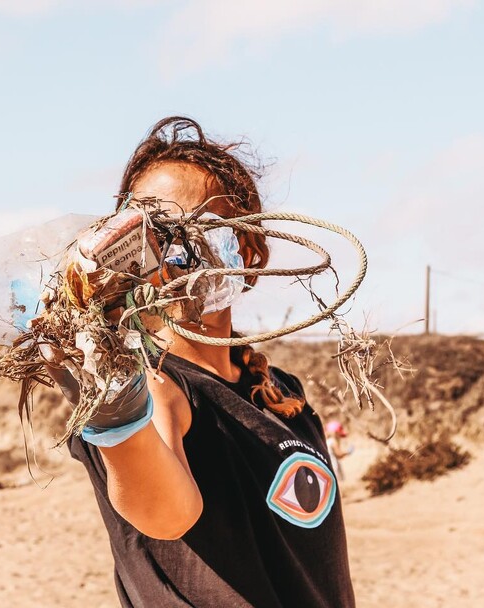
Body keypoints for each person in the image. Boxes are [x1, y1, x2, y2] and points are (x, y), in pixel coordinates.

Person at [62, 117, 356, 607]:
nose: (173, 248)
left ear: (248, 247)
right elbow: (164, 514)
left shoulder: (283, 390)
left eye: (192, 224)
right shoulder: (149, 386)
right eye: (152, 230)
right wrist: (113, 407)